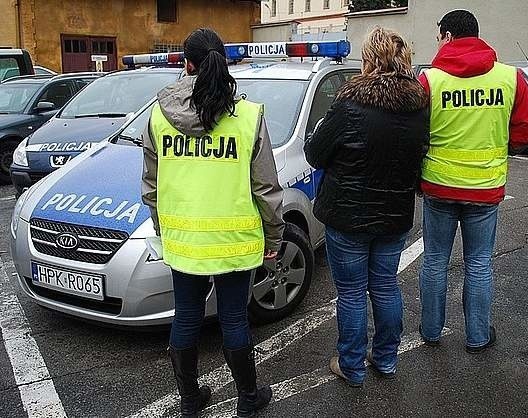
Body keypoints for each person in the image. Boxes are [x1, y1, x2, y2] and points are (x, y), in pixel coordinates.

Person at [142, 28, 284, 418]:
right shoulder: (249, 117)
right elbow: (266, 188)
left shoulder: (158, 115)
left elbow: (151, 187)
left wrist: (164, 227)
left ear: (186, 64)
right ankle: (247, 398)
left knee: (186, 316)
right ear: (225, 61)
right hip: (235, 241)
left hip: (184, 241)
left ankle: (190, 400)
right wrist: (274, 234)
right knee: (234, 318)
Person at [304, 27, 429, 386]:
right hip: (394, 215)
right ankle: (386, 359)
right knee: (386, 286)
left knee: (353, 292)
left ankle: (353, 366)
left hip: (347, 216)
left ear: (370, 59)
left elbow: (315, 154)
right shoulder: (419, 105)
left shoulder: (350, 102)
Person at [418, 10, 528, 353]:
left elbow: (415, 131)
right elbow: (526, 131)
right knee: (480, 263)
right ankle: (478, 337)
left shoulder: (431, 80)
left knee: (435, 260)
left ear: (449, 37)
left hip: (439, 186)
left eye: (439, 36)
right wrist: (499, 147)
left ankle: (430, 332)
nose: (438, 42)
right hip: (485, 189)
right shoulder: (509, 78)